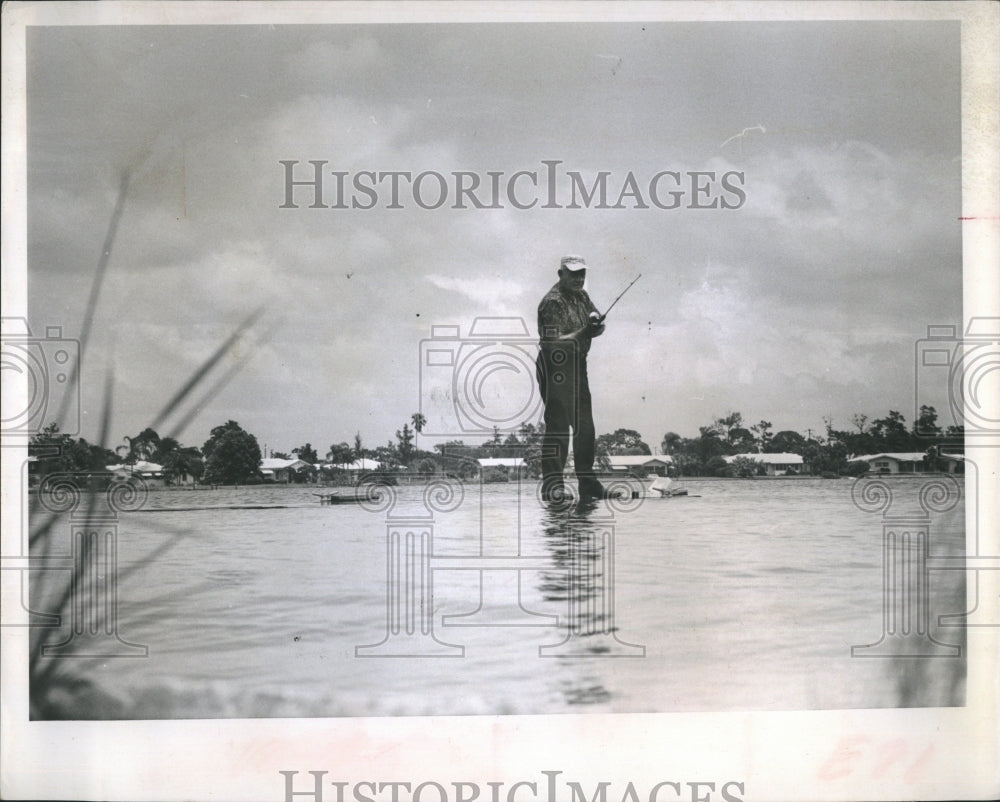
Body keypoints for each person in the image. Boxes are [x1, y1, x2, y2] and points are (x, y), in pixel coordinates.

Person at [535, 255, 615, 501]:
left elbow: (596, 321)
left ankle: (588, 484)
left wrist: (596, 325)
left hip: (578, 367)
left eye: (582, 274)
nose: (579, 278)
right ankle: (552, 487)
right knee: (558, 427)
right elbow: (552, 345)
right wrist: (584, 331)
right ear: (561, 275)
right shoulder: (551, 302)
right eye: (573, 274)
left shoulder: (581, 295)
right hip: (555, 367)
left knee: (585, 428)